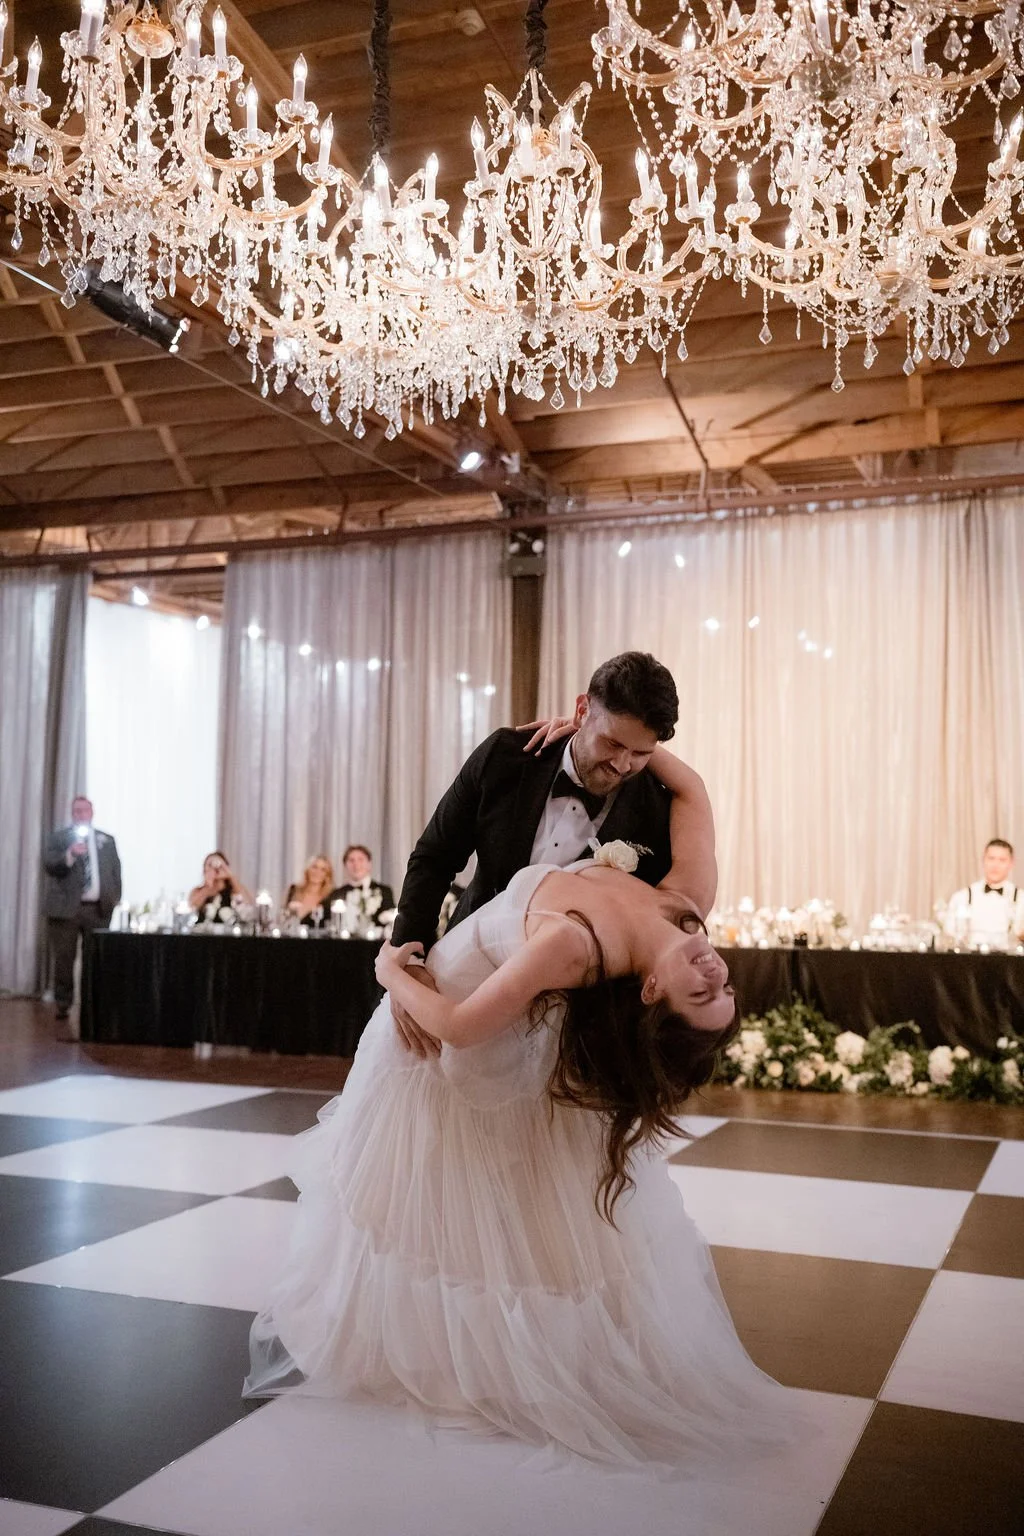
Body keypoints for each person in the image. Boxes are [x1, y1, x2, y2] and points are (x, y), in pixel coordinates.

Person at [245, 739, 806, 1470]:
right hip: (495, 1029)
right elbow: (694, 790)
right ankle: (473, 1355)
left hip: (440, 1031)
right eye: (723, 988)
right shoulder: (685, 901)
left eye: (699, 994)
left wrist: (391, 973)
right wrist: (605, 742)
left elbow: (457, 1027)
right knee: (477, 1215)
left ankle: (480, 1368)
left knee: (456, 1220)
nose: (713, 973)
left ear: (650, 993)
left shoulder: (575, 947)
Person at [390, 650, 683, 1055]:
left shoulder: (657, 809)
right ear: (582, 710)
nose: (622, 765)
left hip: (570, 1026)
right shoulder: (505, 757)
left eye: (640, 754)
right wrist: (410, 960)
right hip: (463, 974)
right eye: (613, 743)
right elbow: (434, 857)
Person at [44, 796, 122, 1030]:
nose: (80, 815)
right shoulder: (59, 838)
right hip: (67, 909)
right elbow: (50, 865)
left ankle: (92, 1003)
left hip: (97, 909)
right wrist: (70, 855)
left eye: (84, 810)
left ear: (92, 812)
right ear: (71, 814)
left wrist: (114, 898)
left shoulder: (106, 840)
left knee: (95, 959)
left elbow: (115, 871)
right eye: (76, 811)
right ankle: (63, 1004)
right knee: (65, 959)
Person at [946, 839, 1024, 949]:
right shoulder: (962, 897)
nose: (995, 865)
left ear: (1011, 864)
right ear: (983, 860)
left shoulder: (1021, 899)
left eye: (1002, 860)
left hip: (1009, 963)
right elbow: (950, 935)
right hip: (969, 961)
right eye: (991, 859)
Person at [326, 845, 395, 920]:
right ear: (345, 865)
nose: (356, 864)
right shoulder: (337, 894)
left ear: (369, 864)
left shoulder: (384, 891)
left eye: (360, 860)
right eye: (351, 860)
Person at [188, 851, 253, 914]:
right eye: (210, 865)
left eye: (219, 865)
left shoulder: (234, 890)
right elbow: (192, 907)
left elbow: (249, 904)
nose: (215, 868)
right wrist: (208, 885)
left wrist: (230, 875)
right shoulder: (197, 891)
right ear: (204, 870)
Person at [285, 855, 335, 927]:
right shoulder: (294, 890)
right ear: (307, 870)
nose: (317, 872)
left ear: (327, 875)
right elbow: (284, 918)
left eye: (323, 869)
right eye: (314, 867)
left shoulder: (330, 897)